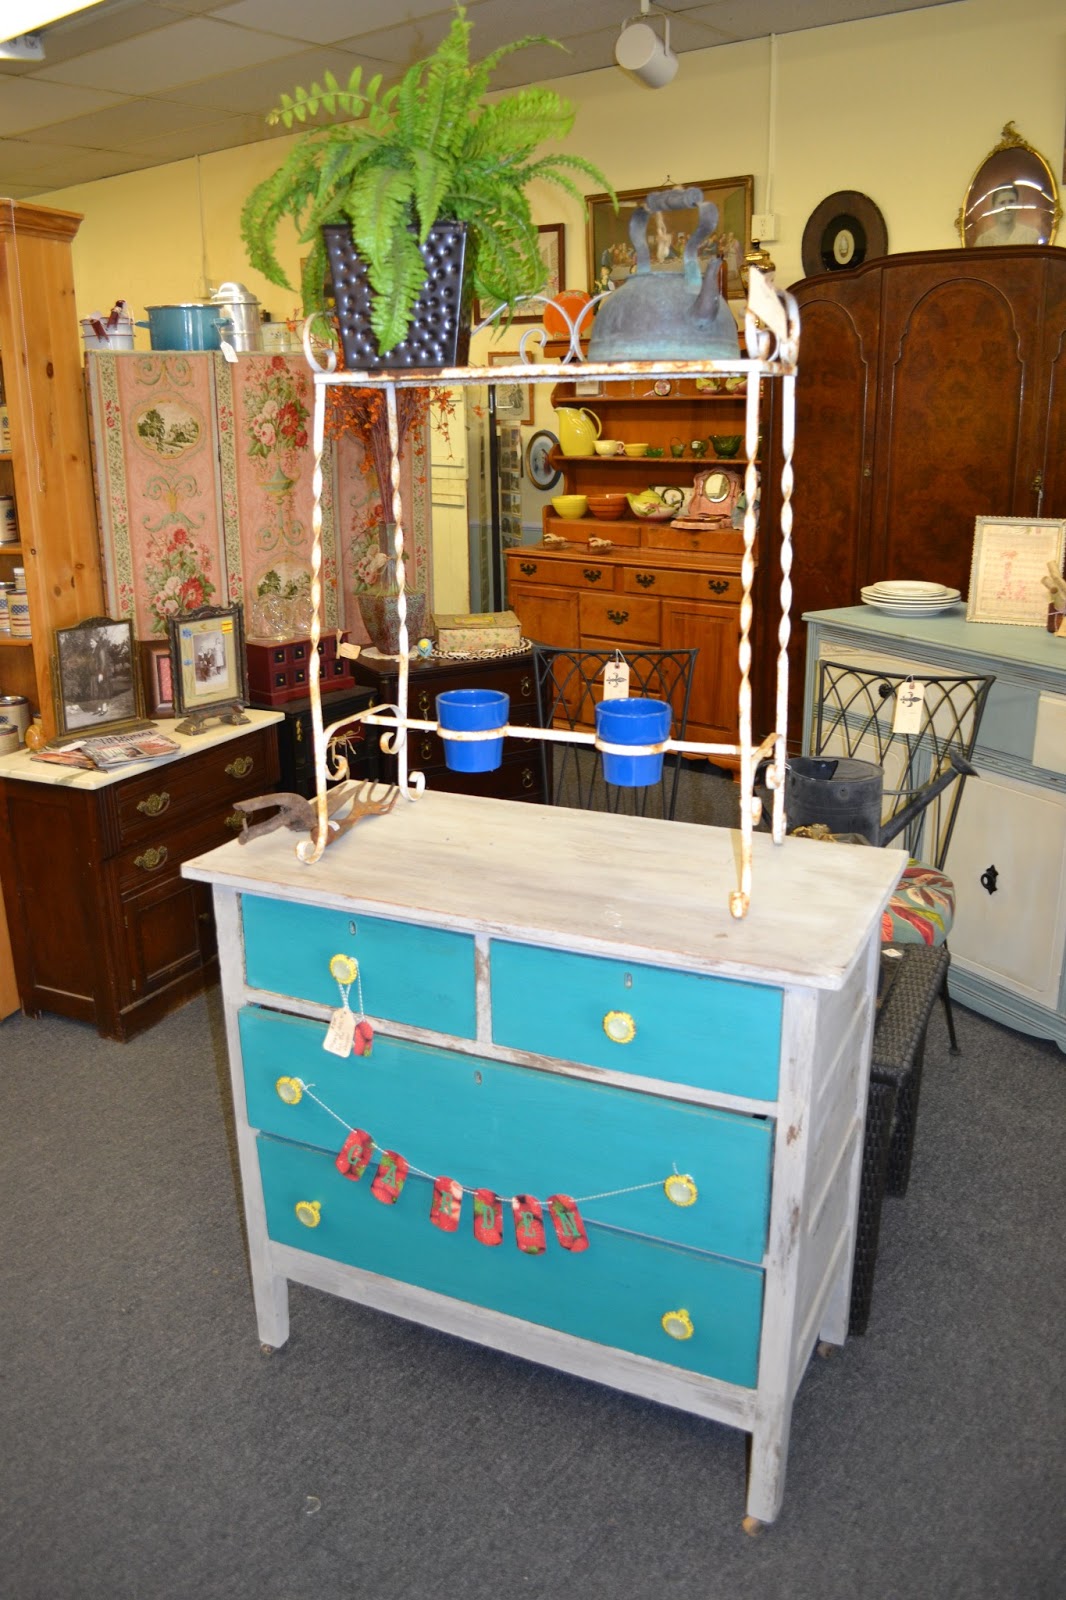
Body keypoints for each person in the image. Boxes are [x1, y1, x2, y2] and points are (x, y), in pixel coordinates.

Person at [975, 185, 1042, 246]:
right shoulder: (983, 241)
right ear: (994, 208)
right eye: (1002, 203)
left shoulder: (1031, 235)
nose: (1007, 207)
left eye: (1011, 202)